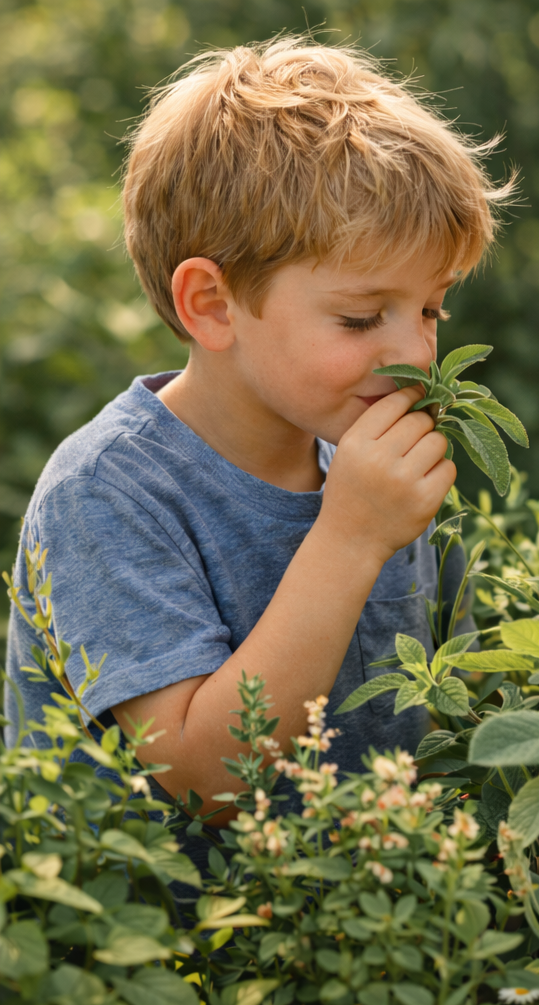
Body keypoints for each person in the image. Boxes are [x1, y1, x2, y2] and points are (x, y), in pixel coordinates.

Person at [4, 39, 506, 861]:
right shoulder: (107, 492)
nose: (416, 352)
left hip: (378, 945)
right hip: (168, 963)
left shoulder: (364, 463)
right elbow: (203, 780)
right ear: (212, 305)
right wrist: (349, 537)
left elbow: (458, 698)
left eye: (432, 310)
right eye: (359, 317)